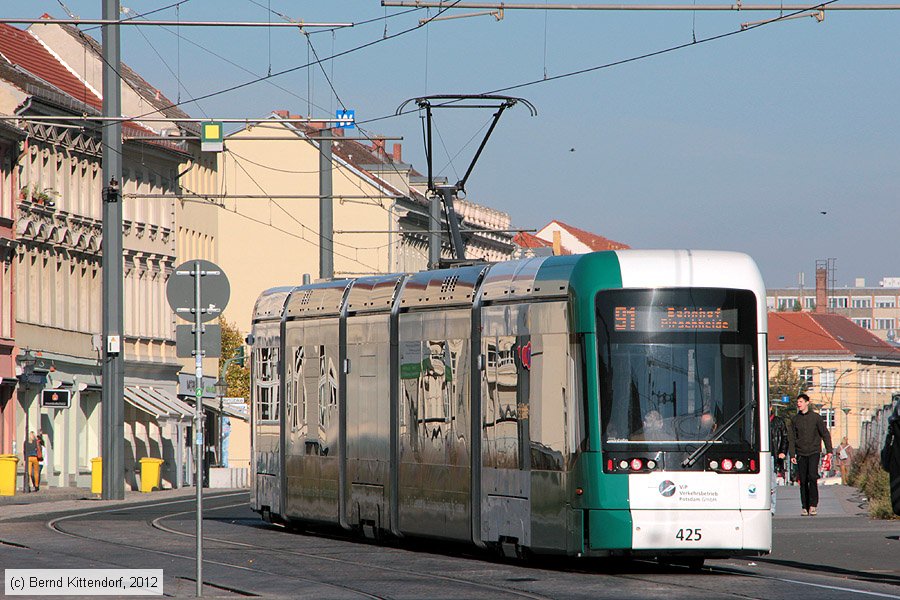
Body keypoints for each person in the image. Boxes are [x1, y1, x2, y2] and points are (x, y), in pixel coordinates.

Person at [790, 393, 833, 516]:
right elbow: (792, 438)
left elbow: (825, 433)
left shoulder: (816, 418)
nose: (799, 404)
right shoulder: (795, 420)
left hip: (814, 451)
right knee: (803, 480)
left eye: (801, 402)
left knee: (812, 477)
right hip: (801, 452)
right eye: (798, 402)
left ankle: (813, 505)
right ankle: (805, 505)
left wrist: (829, 451)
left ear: (807, 402)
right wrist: (792, 454)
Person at [769, 406, 789, 484]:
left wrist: (783, 452)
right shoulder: (759, 420)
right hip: (763, 453)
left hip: (775, 454)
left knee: (772, 478)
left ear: (771, 408)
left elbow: (785, 437)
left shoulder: (779, 421)